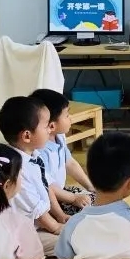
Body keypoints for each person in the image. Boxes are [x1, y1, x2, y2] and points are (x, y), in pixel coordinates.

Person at [0, 95, 63, 257]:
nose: (50, 130)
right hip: (21, 234)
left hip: (37, 225)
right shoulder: (17, 169)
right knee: (70, 244)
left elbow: (46, 189)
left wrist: (60, 216)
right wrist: (57, 228)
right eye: (46, 126)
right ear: (27, 136)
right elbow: (39, 214)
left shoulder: (33, 156)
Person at [29, 89, 95, 217]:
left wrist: (90, 187)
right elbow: (48, 187)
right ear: (52, 126)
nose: (71, 118)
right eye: (67, 115)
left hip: (61, 191)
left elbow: (70, 163)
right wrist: (74, 199)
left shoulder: (59, 137)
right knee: (89, 211)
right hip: (49, 200)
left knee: (101, 198)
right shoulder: (39, 151)